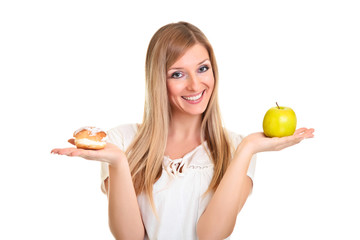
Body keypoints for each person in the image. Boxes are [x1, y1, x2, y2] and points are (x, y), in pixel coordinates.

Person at [51, 21, 314, 240]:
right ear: (158, 81)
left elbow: (211, 234)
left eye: (202, 68)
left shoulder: (236, 147)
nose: (195, 84)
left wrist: (248, 148)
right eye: (177, 74)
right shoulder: (121, 142)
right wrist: (118, 162)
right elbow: (129, 236)